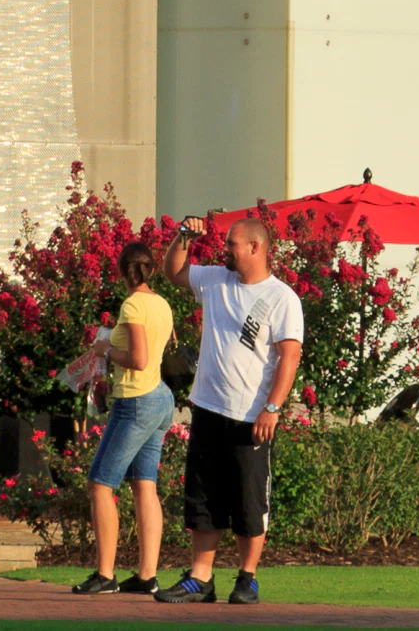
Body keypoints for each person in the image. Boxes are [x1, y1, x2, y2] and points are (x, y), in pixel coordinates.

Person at [154, 213, 302, 606]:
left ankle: (247, 579)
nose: (226, 250)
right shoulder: (216, 280)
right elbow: (174, 272)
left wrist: (273, 407)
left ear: (255, 247)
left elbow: (289, 356)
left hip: (251, 417)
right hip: (208, 409)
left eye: (232, 244)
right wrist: (184, 235)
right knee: (204, 499)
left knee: (249, 501)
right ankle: (200, 579)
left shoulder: (281, 298)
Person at [72, 241, 176, 596]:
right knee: (144, 485)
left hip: (135, 401)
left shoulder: (132, 304)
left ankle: (105, 575)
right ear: (151, 269)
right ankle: (147, 576)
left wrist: (105, 350)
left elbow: (139, 358)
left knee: (100, 485)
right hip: (160, 398)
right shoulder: (161, 303)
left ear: (121, 271)